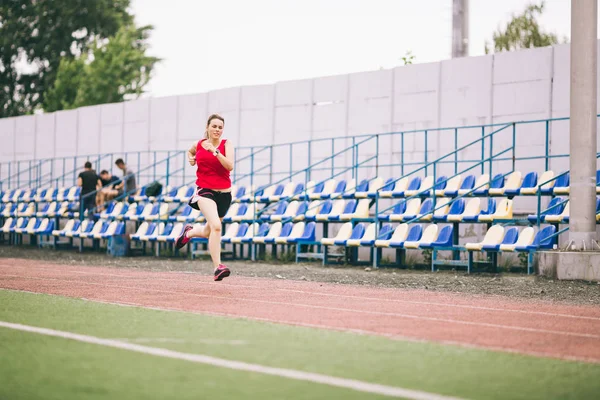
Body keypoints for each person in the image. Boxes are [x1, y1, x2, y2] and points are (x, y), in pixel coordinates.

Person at [175, 114, 235, 281]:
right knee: (216, 226)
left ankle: (188, 233)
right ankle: (218, 267)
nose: (217, 130)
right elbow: (190, 151)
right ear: (208, 127)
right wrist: (190, 158)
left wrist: (215, 151)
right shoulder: (199, 144)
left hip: (224, 194)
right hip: (204, 191)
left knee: (208, 231)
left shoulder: (226, 144)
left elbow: (230, 165)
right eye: (214, 126)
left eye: (220, 127)